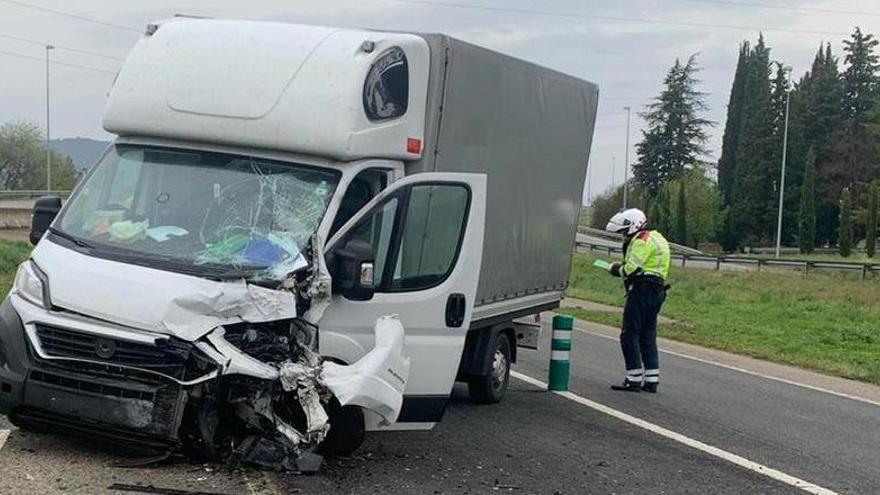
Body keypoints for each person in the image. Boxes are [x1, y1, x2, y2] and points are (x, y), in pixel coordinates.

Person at [604, 208, 670, 393]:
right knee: (648, 334)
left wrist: (613, 268)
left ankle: (633, 378)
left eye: (625, 232)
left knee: (629, 333)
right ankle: (651, 379)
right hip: (658, 290)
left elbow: (630, 269)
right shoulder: (658, 238)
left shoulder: (641, 241)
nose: (624, 236)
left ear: (634, 226)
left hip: (641, 289)